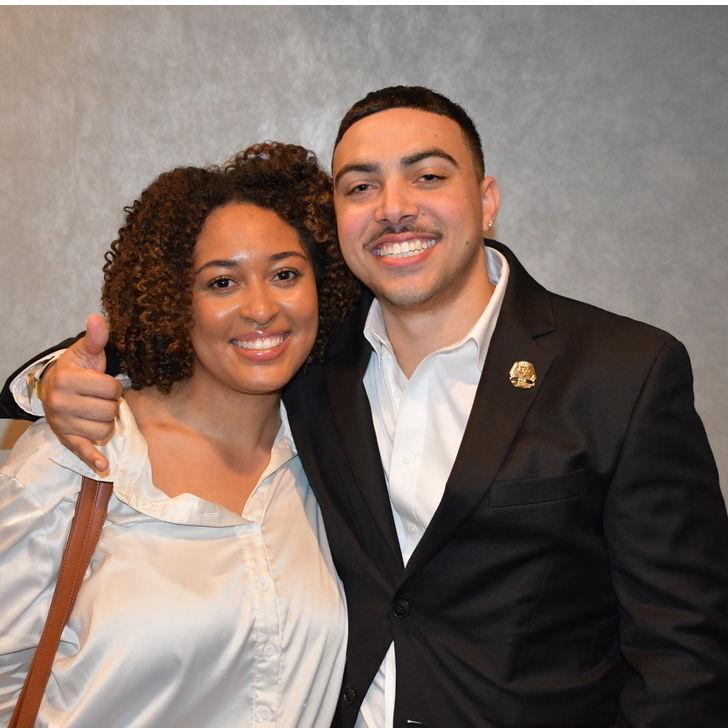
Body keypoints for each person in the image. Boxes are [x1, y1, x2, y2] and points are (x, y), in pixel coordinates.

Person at [3, 86, 728, 728]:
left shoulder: (620, 371)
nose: (394, 207)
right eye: (360, 186)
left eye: (428, 175)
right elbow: (192, 330)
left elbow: (686, 650)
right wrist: (47, 382)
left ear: (486, 201)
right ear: (339, 221)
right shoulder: (319, 365)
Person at [0, 142, 358, 727]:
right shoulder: (78, 459)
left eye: (285, 274)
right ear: (174, 300)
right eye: (222, 282)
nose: (261, 307)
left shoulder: (333, 461)